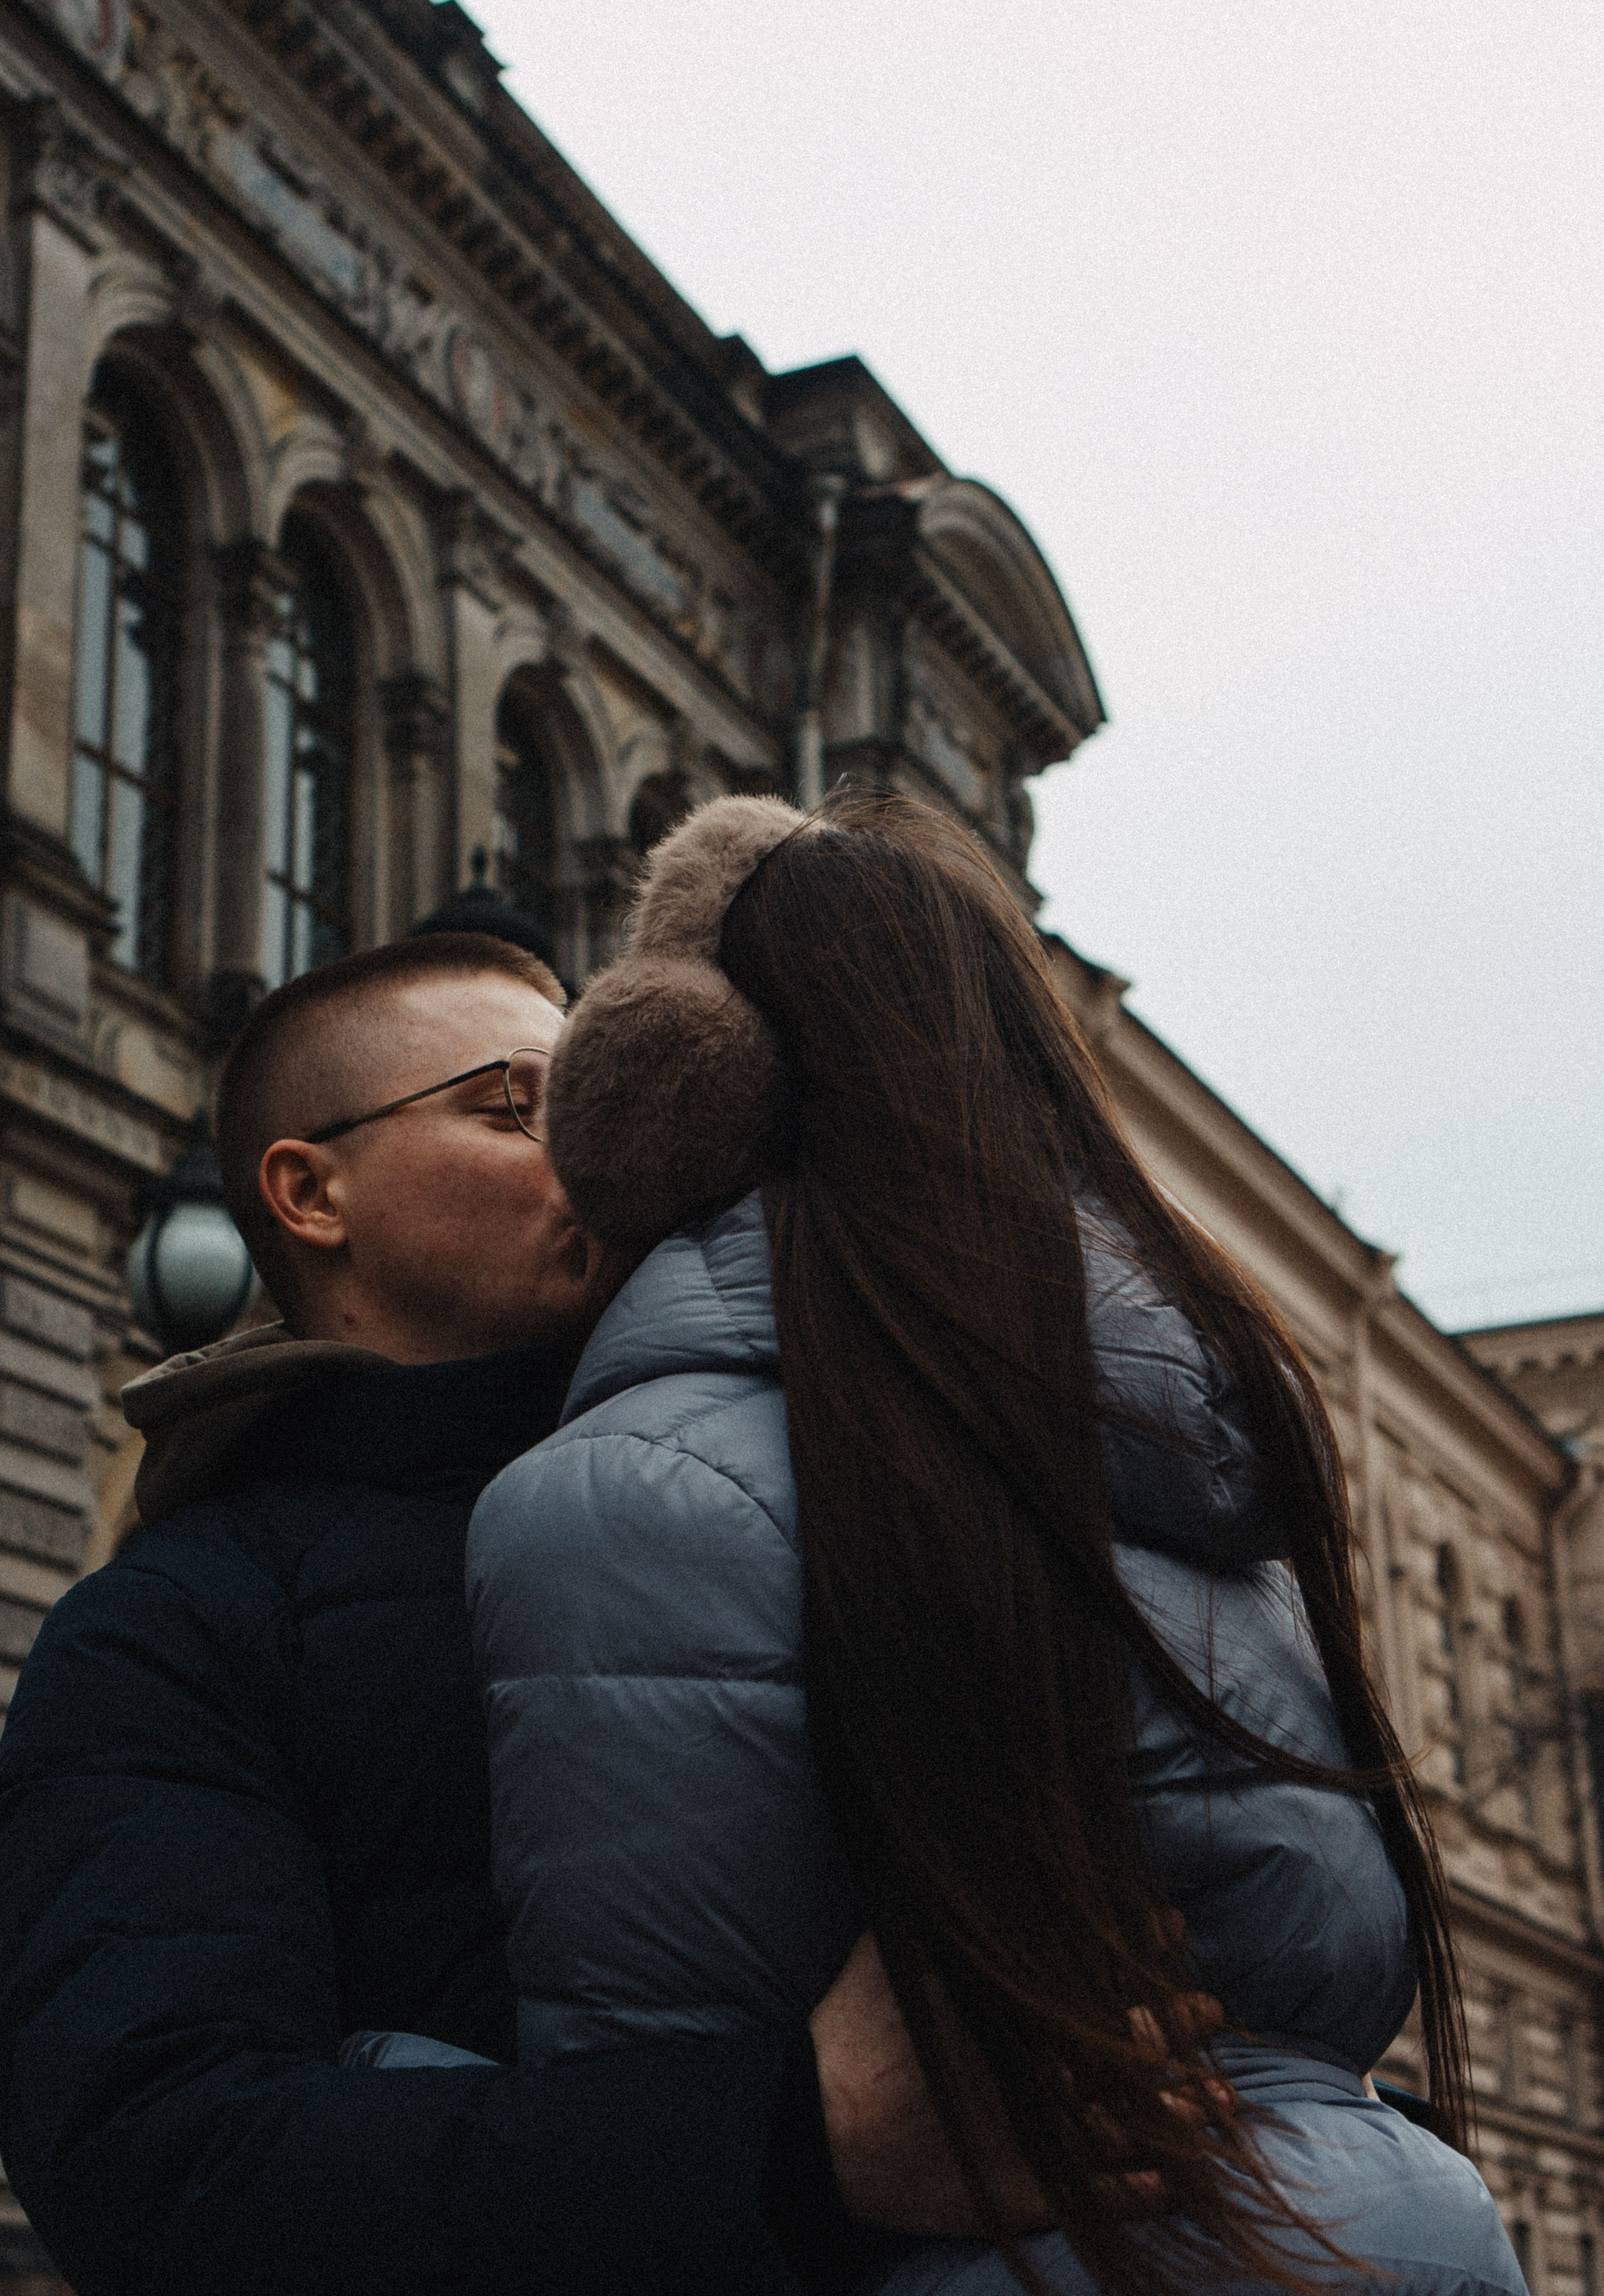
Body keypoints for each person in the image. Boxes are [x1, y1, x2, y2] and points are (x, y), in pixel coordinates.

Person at [442, 796, 1524, 2296]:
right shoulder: (1186, 1464)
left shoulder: (640, 1490)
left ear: (669, 1091)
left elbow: (658, 2183)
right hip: (1398, 2234)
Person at [0, 932, 978, 2296]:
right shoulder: (176, 1623)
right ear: (311, 1190)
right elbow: (160, 2157)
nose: (608, 1148)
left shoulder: (816, 1480)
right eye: (520, 1106)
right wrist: (802, 2140)